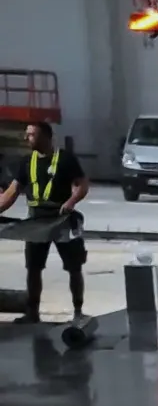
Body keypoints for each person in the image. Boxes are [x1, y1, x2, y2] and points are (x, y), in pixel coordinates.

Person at [0, 119, 91, 328]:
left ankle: (78, 311)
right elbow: (11, 194)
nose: (26, 138)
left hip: (62, 220)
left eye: (31, 134)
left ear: (47, 137)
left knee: (74, 268)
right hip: (36, 221)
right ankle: (32, 313)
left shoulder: (65, 159)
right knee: (33, 268)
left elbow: (82, 185)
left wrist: (70, 202)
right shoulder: (26, 162)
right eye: (27, 134)